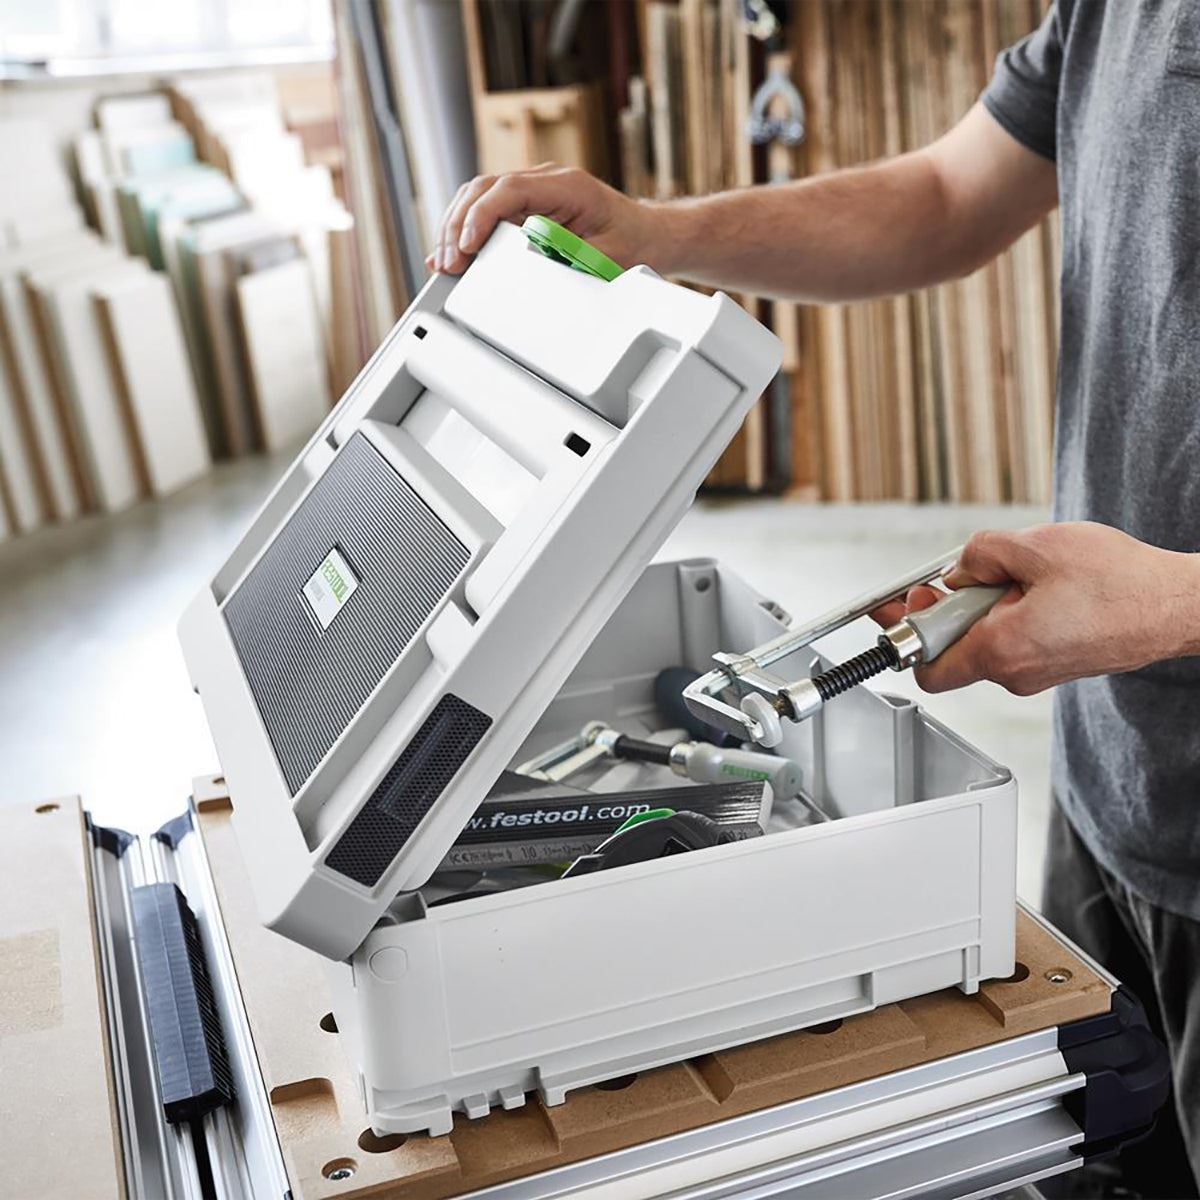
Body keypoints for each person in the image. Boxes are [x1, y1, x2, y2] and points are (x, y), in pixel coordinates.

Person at [431, 2, 1200, 1192]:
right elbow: (946, 195)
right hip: (1109, 778)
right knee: (1097, 1164)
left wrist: (1174, 604)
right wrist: (659, 234)